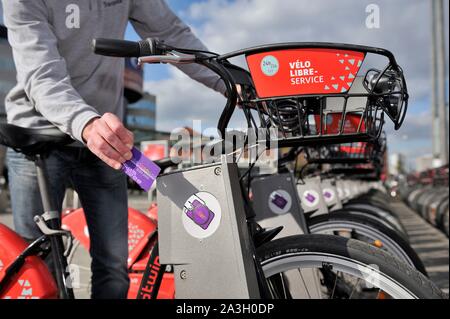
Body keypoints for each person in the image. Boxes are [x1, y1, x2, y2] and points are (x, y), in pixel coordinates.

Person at [1, 0, 225, 299]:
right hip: (38, 135)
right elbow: (42, 75)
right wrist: (87, 123)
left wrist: (231, 82)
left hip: (104, 136)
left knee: (114, 265)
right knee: (40, 270)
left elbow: (171, 32)